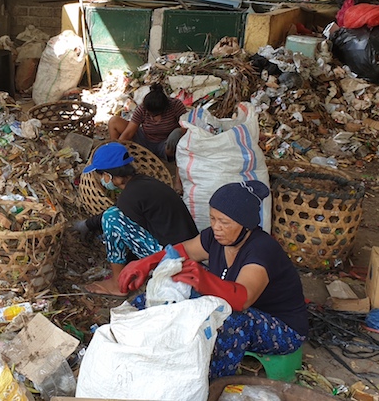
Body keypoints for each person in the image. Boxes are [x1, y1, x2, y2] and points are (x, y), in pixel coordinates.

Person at [119, 180, 308, 380]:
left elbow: (243, 299)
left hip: (283, 328)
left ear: (246, 224)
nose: (216, 227)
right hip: (233, 305)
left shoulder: (262, 249)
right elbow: (183, 251)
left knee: (231, 320)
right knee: (154, 299)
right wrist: (147, 263)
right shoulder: (214, 238)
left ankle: (213, 383)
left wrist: (203, 280)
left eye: (224, 222)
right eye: (212, 218)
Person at [73, 142, 199, 296]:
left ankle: (117, 284)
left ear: (109, 176)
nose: (101, 180)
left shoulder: (130, 196)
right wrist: (88, 224)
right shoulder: (143, 184)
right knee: (114, 214)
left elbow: (121, 223)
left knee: (111, 218)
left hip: (174, 260)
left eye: (101, 175)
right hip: (190, 251)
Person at [108, 83, 187, 161]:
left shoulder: (175, 105)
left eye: (157, 114)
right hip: (145, 139)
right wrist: (116, 149)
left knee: (176, 134)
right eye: (151, 114)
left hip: (165, 143)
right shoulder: (142, 108)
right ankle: (116, 156)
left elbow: (188, 126)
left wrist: (178, 133)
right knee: (114, 121)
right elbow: (129, 132)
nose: (154, 118)